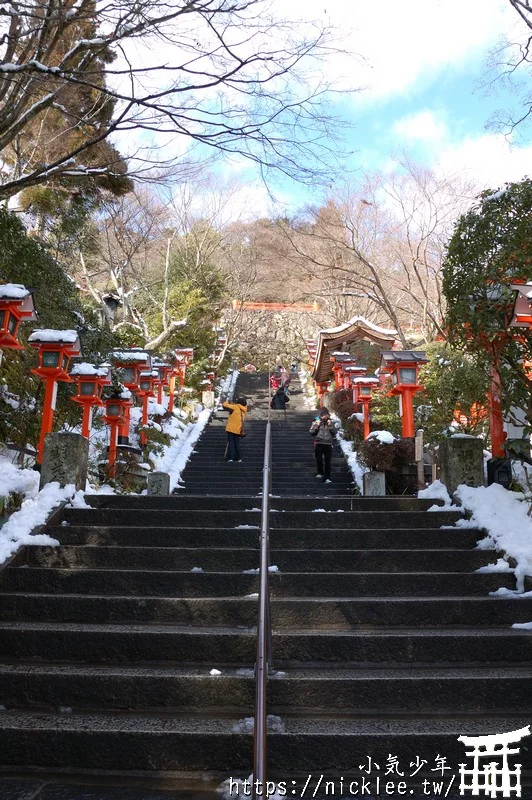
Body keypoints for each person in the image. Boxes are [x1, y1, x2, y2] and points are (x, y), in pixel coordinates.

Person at [309, 407, 336, 483]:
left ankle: (327, 477)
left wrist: (330, 426)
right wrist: (317, 425)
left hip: (328, 444)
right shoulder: (316, 421)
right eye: (323, 415)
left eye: (326, 415)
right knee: (319, 459)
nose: (325, 417)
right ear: (321, 415)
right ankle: (320, 472)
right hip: (319, 443)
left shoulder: (330, 422)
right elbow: (311, 432)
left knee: (328, 461)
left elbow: (334, 433)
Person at [222, 396, 248, 462]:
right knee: (236, 444)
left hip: (231, 428)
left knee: (231, 443)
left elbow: (224, 405)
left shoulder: (235, 407)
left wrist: (228, 401)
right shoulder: (244, 410)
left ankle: (231, 458)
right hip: (238, 429)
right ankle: (238, 458)